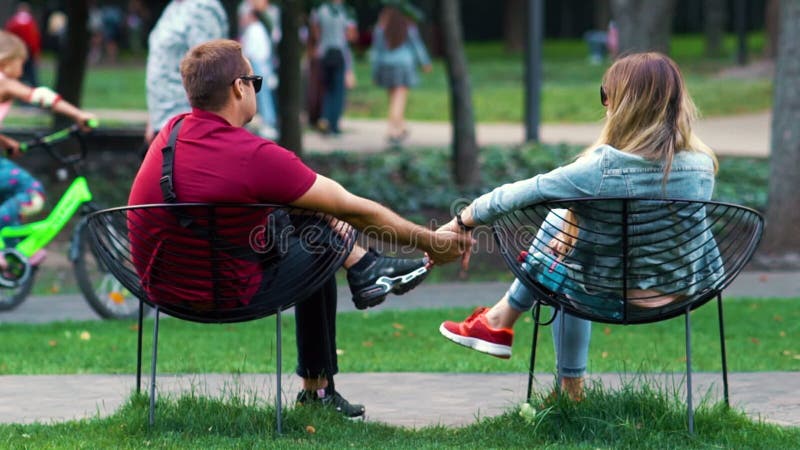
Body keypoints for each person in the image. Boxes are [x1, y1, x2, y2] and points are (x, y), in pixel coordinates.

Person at [128, 39, 470, 416]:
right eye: (254, 80)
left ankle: (365, 267)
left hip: (162, 285)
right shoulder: (254, 156)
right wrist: (432, 241)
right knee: (322, 239)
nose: (256, 89)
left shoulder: (170, 134)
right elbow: (356, 210)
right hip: (224, 291)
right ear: (238, 87)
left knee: (310, 215)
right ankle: (321, 383)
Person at [437, 52, 719, 401]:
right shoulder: (702, 166)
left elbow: (515, 195)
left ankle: (513, 334)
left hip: (608, 294)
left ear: (623, 102)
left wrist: (461, 222)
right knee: (564, 229)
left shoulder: (599, 170)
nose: (604, 102)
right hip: (682, 292)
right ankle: (500, 323)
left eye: (606, 93)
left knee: (556, 259)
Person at [0, 31, 95, 262]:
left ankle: (13, 250)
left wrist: (5, 142)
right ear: (5, 60)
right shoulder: (3, 81)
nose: (22, 69)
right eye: (20, 62)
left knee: (12, 195)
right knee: (32, 192)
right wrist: (78, 114)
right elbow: (40, 96)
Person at [144, 0, 228, 144]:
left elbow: (210, 71)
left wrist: (198, 128)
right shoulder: (174, 6)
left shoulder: (203, 8)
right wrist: (153, 119)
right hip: (165, 122)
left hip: (187, 127)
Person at [370, 4, 431, 144]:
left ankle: (401, 126)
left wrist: (375, 72)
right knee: (399, 99)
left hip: (386, 65)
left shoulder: (380, 29)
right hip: (403, 65)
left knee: (393, 99)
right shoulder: (408, 26)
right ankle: (392, 130)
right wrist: (425, 62)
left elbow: (376, 53)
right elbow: (417, 45)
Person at [309, 0, 357, 135]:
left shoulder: (319, 11)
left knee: (326, 88)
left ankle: (325, 119)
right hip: (338, 53)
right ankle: (334, 123)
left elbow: (315, 32)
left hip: (323, 53)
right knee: (338, 90)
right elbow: (351, 35)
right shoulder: (345, 12)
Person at [238, 0, 278, 139]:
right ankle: (266, 120)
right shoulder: (257, 28)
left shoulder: (254, 29)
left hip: (257, 63)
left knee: (263, 94)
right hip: (260, 62)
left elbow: (252, 50)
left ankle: (268, 121)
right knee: (261, 94)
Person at [4, 2, 41, 87]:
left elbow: (8, 36)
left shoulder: (13, 21)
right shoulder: (30, 22)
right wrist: (36, 53)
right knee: (31, 76)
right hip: (28, 51)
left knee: (17, 74)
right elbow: (34, 40)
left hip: (15, 51)